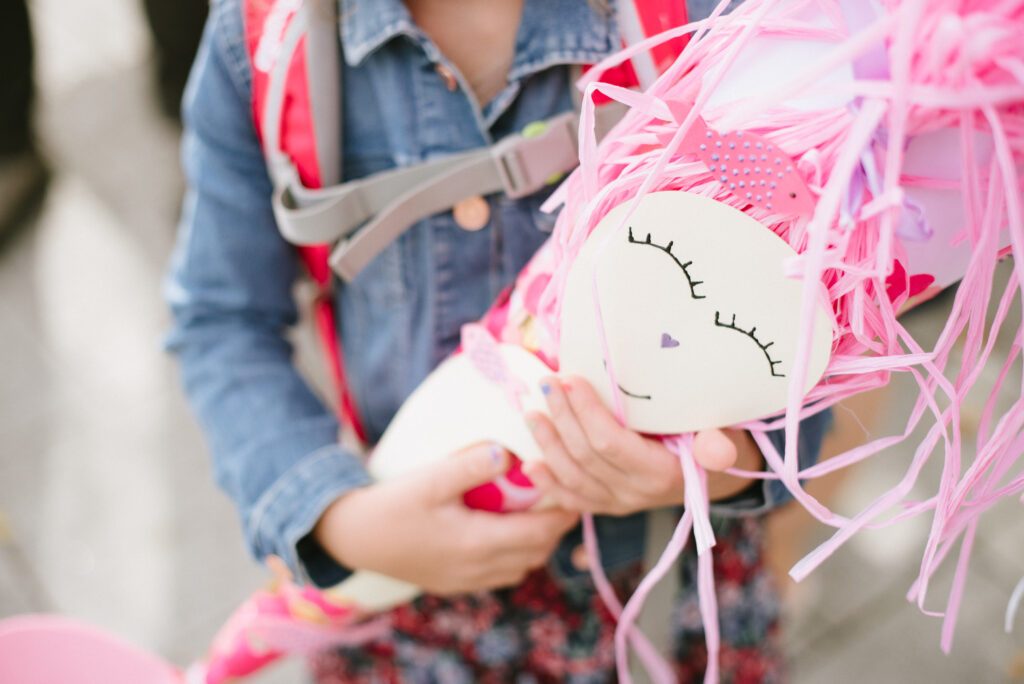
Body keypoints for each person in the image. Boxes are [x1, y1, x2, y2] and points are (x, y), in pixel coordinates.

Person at [166, 0, 832, 680]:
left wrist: (725, 466)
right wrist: (340, 520)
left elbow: (816, 302)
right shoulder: (263, 43)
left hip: (668, 577)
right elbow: (221, 319)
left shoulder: (706, 19)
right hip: (409, 601)